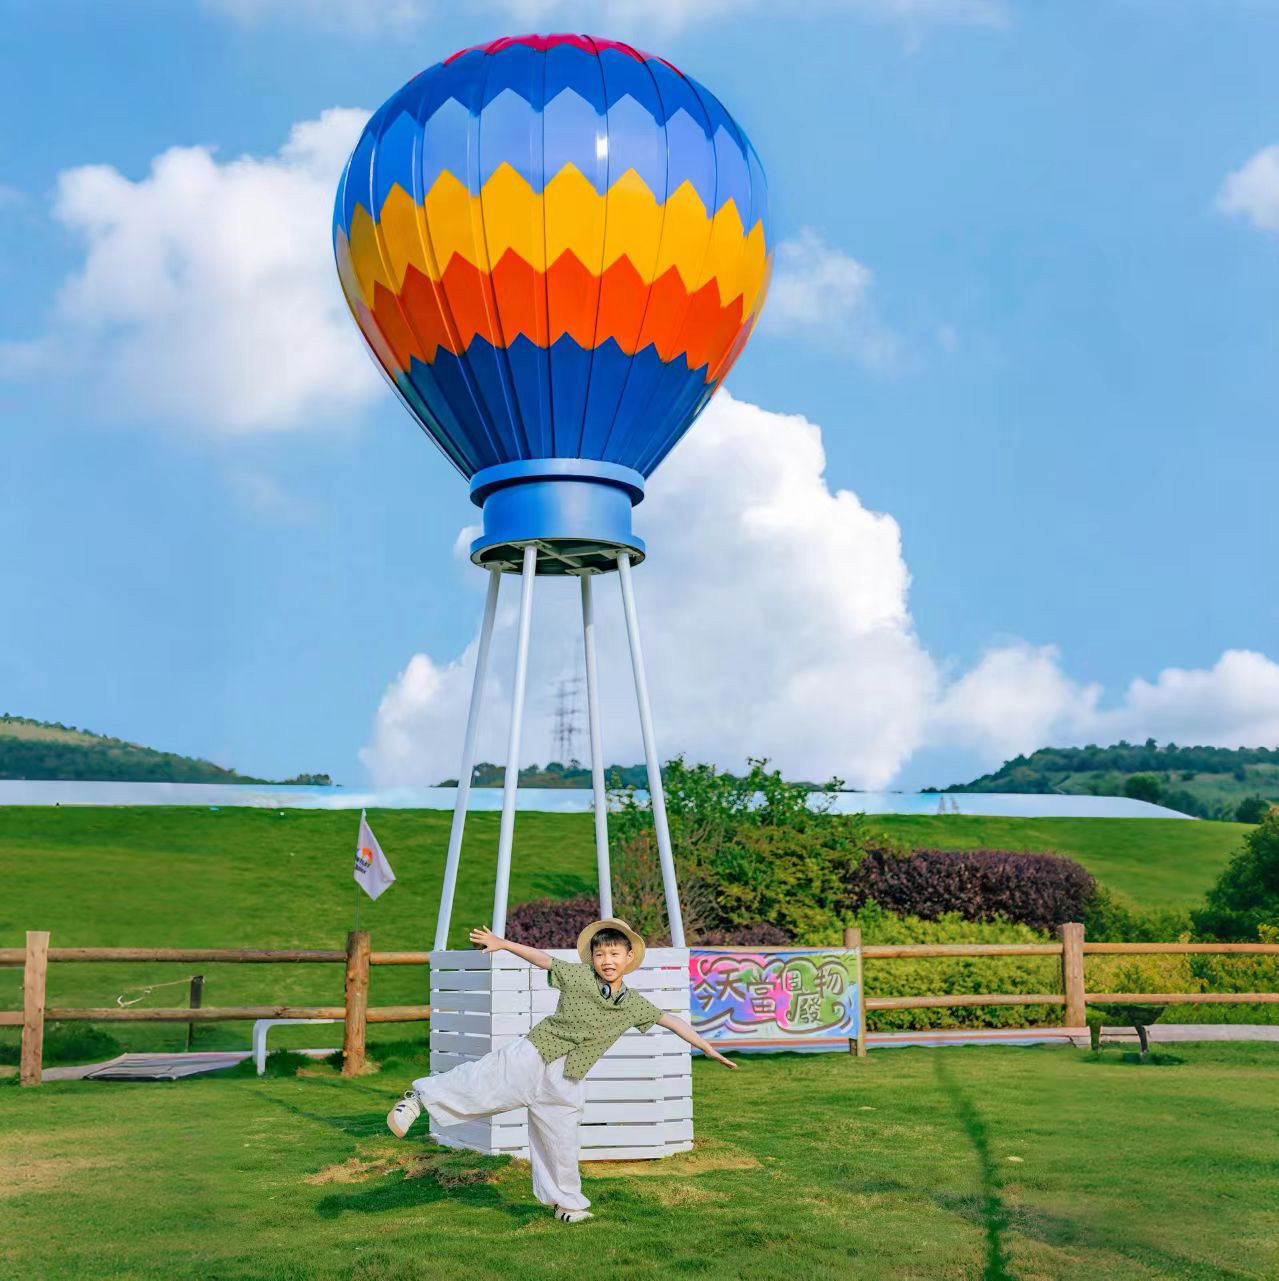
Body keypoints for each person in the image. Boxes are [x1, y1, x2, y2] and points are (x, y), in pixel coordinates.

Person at [386, 916, 738, 1222]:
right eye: (600, 954)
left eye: (614, 953)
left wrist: (707, 1048)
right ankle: (417, 1099)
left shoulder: (634, 1004)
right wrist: (503, 944)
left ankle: (567, 1205)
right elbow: (544, 960)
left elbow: (671, 1020)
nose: (607, 960)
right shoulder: (579, 976)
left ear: (629, 957)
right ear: (592, 958)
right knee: (483, 1082)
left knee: (561, 1144)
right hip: (535, 1054)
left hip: (568, 1078)